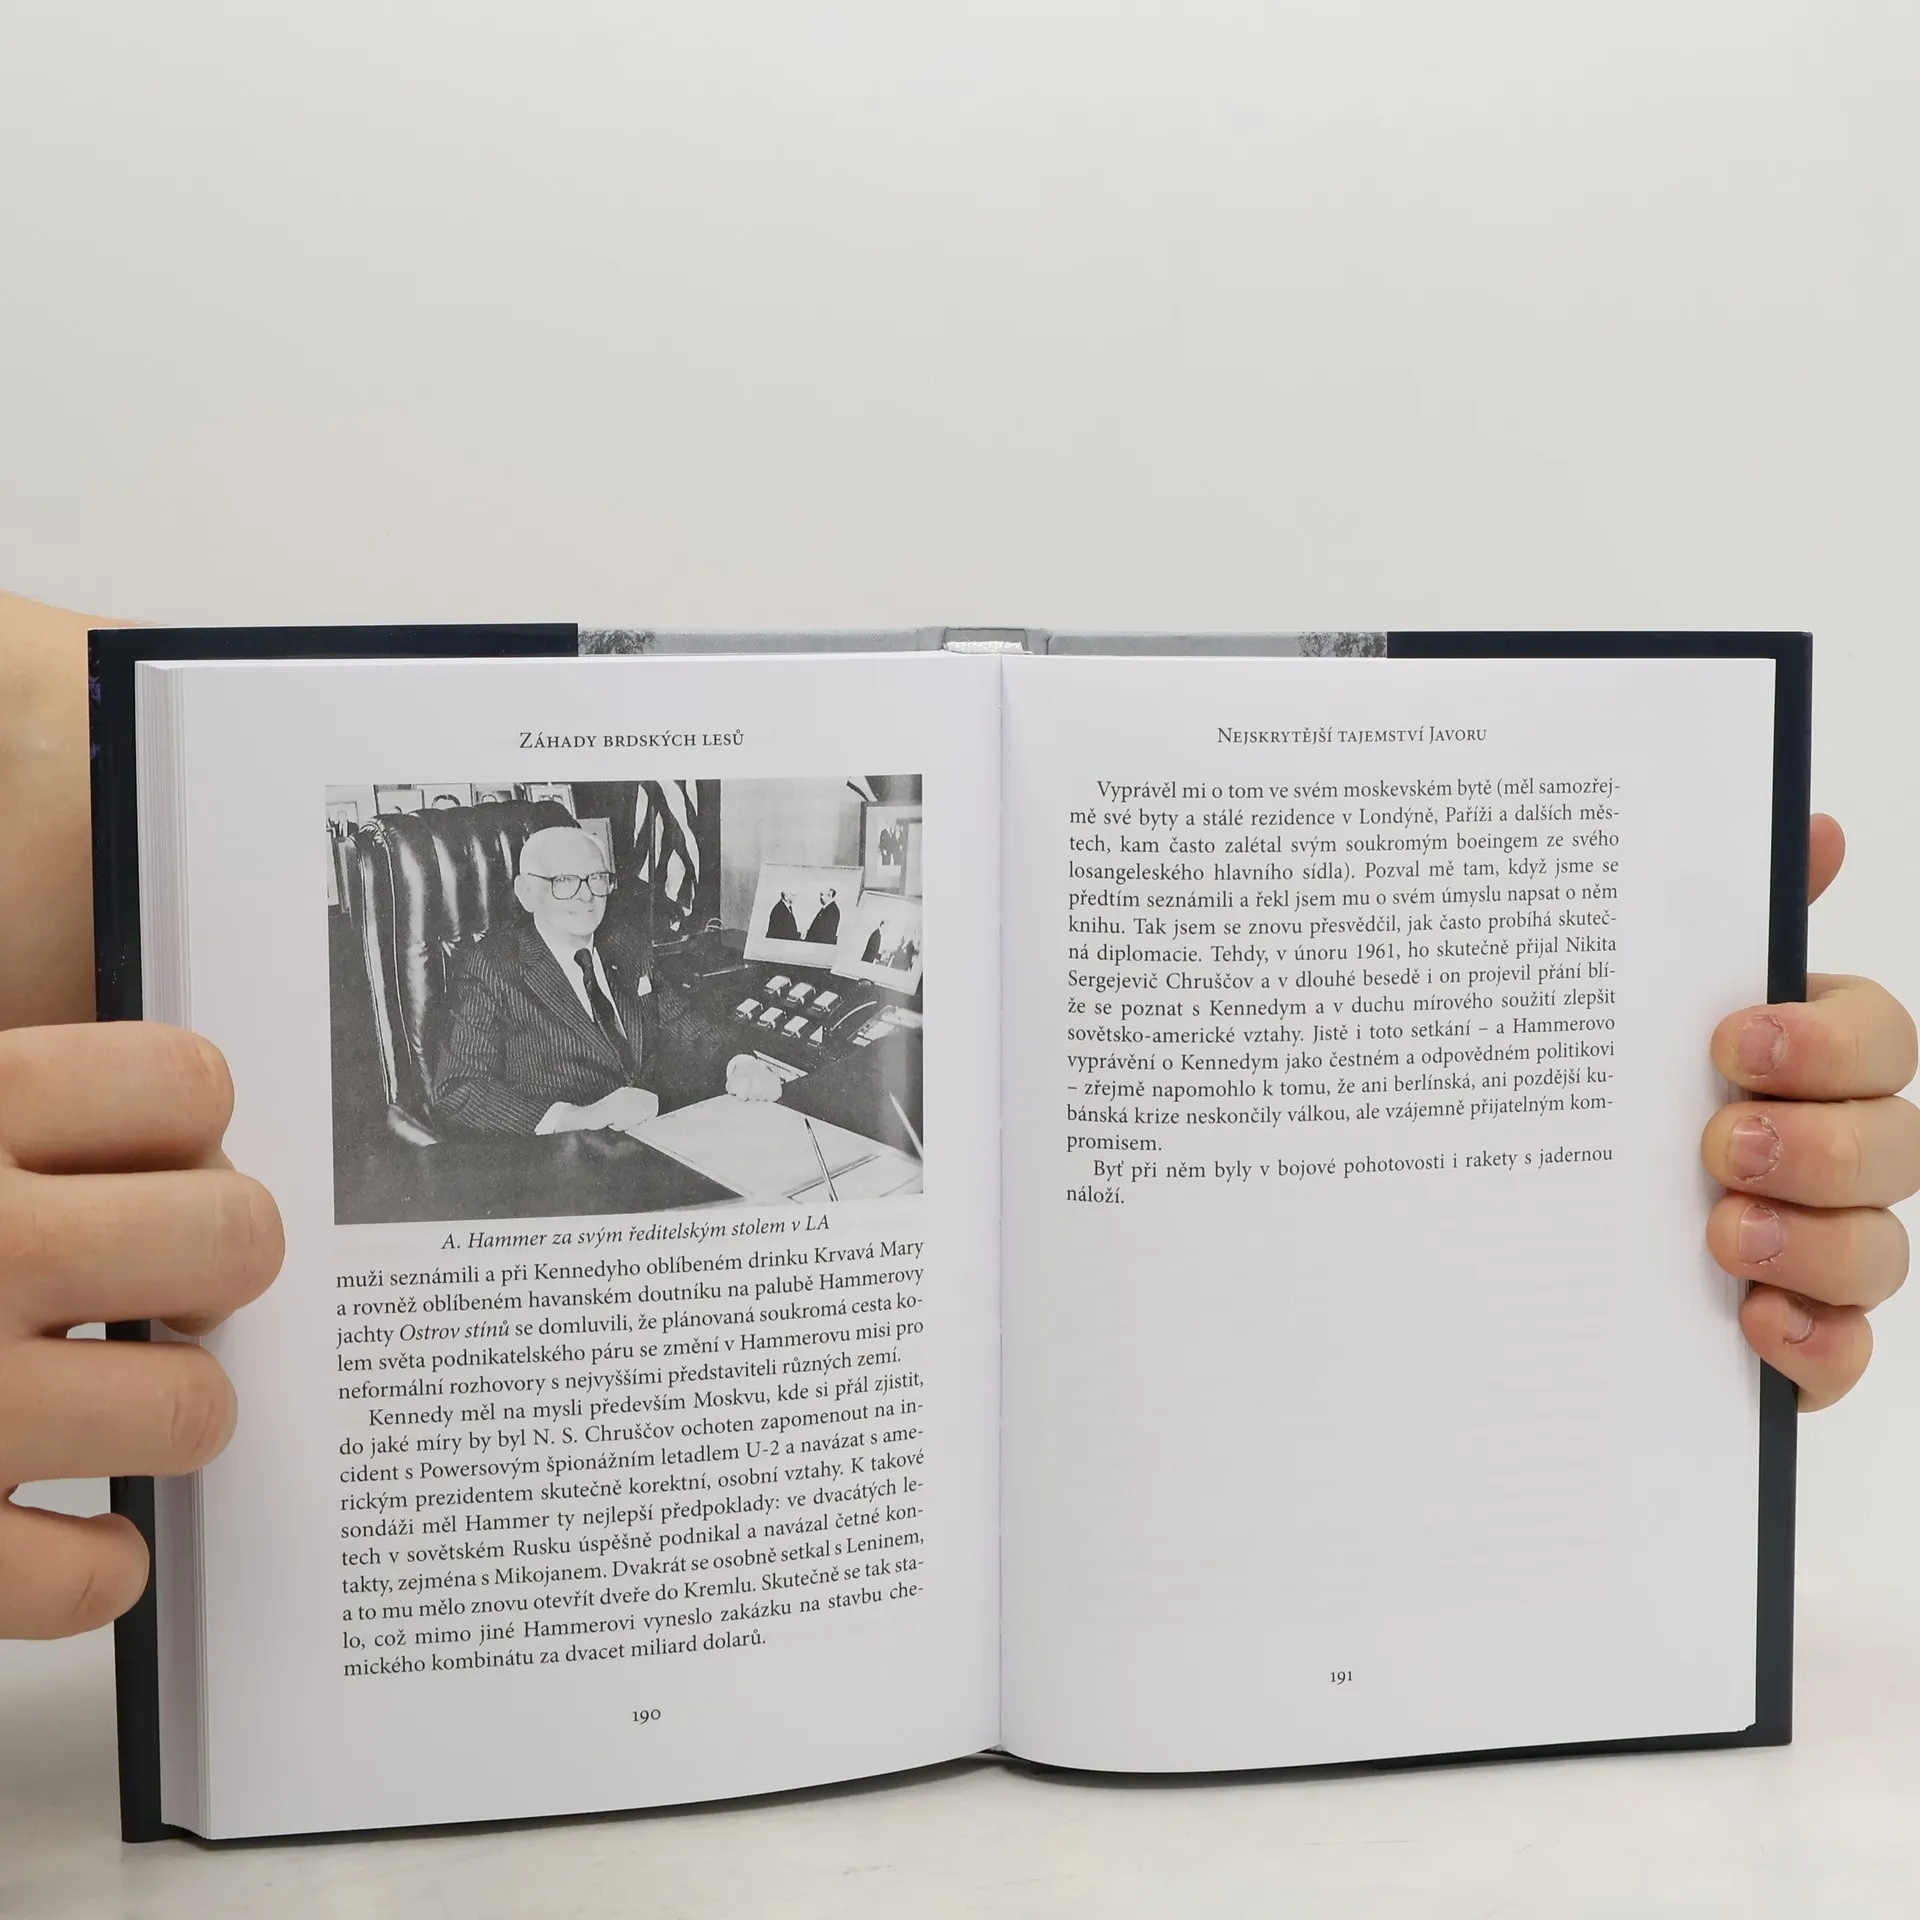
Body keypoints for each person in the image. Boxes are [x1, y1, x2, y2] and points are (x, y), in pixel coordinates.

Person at [0, 589, 1915, 1640]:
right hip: (541, 1205)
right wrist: (596, 1096)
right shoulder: (484, 963)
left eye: (592, 875)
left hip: (669, 1156)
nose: (579, 894)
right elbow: (452, 1098)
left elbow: (686, 1031)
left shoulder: (634, 940)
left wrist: (723, 1074)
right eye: (556, 878)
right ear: (518, 888)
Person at [431, 824, 782, 1134]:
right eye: (564, 881)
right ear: (526, 893)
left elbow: (688, 1026)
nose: (586, 895)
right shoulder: (492, 966)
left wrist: (741, 1063)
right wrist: (580, 1117)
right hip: (564, 1156)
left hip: (650, 1139)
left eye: (597, 878)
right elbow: (458, 1090)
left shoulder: (627, 947)